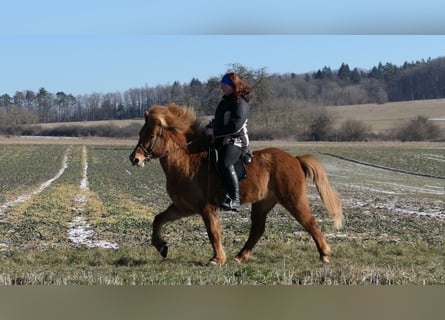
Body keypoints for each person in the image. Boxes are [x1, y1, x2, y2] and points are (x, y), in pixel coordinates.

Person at [205, 72, 251, 212]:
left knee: (225, 163)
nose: (221, 86)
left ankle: (234, 200)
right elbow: (218, 121)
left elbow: (234, 126)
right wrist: (208, 128)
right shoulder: (224, 102)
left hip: (236, 140)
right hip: (222, 139)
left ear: (233, 86)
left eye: (225, 84)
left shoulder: (240, 103)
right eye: (222, 83)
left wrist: (215, 132)